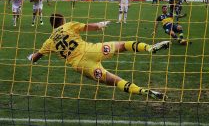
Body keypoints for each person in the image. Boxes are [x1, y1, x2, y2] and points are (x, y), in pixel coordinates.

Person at [27, 13, 170, 100]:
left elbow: (35, 58)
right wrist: (102, 24)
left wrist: (31, 57)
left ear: (53, 25)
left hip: (81, 66)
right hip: (91, 50)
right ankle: (149, 48)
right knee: (123, 45)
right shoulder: (68, 26)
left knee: (114, 80)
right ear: (62, 20)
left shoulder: (49, 41)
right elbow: (90, 26)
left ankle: (142, 91)